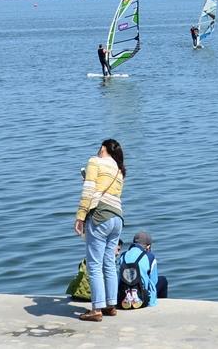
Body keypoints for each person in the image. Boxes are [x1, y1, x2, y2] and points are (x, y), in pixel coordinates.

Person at [74, 138, 126, 322]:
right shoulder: (119, 171)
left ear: (103, 148)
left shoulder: (95, 161)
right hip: (117, 218)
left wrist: (80, 216)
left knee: (94, 264)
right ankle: (111, 305)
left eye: (99, 148)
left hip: (99, 216)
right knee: (109, 262)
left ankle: (96, 309)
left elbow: (89, 190)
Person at [118, 231, 167, 309]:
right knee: (163, 280)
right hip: (142, 299)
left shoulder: (123, 256)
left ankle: (129, 297)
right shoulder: (149, 256)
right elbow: (154, 281)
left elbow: (119, 278)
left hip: (123, 297)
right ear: (148, 246)